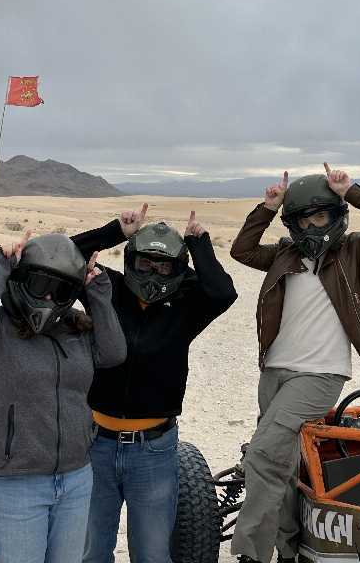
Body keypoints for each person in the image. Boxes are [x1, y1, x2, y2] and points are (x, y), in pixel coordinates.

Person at [229, 164, 360, 563]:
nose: (312, 226)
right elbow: (242, 250)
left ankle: (250, 554)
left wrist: (350, 190)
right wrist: (268, 206)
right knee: (282, 464)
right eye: (304, 220)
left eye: (320, 216)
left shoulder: (356, 253)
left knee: (262, 455)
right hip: (275, 371)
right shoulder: (285, 255)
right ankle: (290, 549)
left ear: (337, 216)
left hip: (321, 373)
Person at [70, 206, 238, 563]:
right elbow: (64, 257)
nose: (152, 272)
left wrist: (198, 244)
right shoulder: (107, 288)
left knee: (152, 554)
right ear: (130, 260)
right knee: (91, 552)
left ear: (178, 269)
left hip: (154, 450)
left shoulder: (187, 304)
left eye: (163, 266)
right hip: (96, 444)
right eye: (144, 263)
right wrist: (116, 231)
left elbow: (223, 292)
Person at [0, 231, 127, 563]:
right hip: (15, 483)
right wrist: (3, 265)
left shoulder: (75, 329)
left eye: (60, 290)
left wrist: (96, 293)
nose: (49, 296)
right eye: (39, 284)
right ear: (21, 280)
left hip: (76, 477)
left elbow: (114, 352)